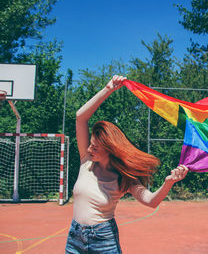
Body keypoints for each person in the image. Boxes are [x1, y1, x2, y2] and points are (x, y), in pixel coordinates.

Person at [65, 75, 189, 254]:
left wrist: (168, 182)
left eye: (96, 147)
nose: (89, 148)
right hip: (75, 237)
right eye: (90, 143)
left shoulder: (123, 179)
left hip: (104, 239)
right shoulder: (86, 161)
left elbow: (151, 201)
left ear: (109, 150)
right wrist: (108, 89)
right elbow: (80, 117)